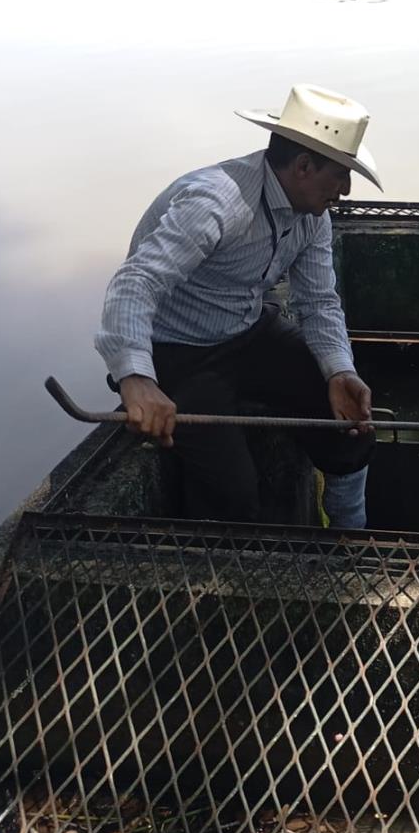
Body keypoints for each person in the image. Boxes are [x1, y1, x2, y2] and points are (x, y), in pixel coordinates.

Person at [95, 84, 380, 527]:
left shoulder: (313, 217)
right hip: (178, 351)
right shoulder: (217, 202)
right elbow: (135, 282)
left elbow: (319, 302)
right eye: (340, 175)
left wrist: (339, 370)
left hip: (247, 330)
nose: (344, 190)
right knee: (231, 494)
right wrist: (135, 380)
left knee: (349, 427)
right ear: (304, 166)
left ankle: (349, 537)